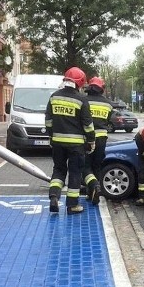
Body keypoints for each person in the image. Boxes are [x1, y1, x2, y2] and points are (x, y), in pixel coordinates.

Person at [45, 66, 95, 214]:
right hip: (76, 145)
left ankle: (54, 196)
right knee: (75, 173)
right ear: (80, 83)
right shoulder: (81, 100)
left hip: (57, 143)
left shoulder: (54, 97)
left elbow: (48, 121)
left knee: (59, 170)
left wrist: (51, 136)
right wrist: (91, 141)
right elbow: (88, 125)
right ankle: (72, 206)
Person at [82, 77, 114, 205]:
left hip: (87, 139)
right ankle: (93, 194)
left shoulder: (84, 101)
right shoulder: (108, 104)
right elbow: (107, 121)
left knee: (85, 166)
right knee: (97, 166)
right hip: (102, 138)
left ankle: (93, 187)